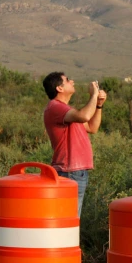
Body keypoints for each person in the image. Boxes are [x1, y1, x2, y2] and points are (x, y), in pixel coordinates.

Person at [42, 73, 107, 217]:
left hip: (75, 171)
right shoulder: (55, 107)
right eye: (67, 80)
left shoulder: (66, 110)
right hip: (70, 170)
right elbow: (84, 116)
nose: (72, 81)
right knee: (69, 218)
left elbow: (92, 127)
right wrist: (94, 94)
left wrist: (99, 105)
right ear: (59, 88)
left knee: (69, 217)